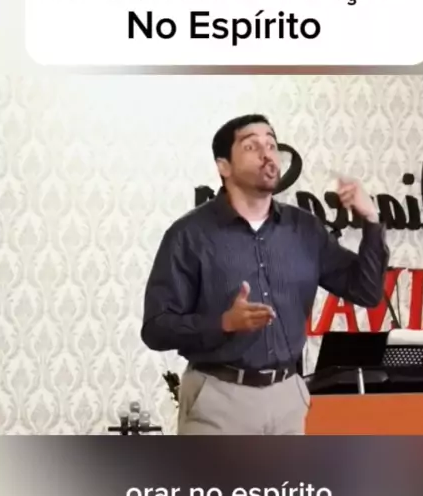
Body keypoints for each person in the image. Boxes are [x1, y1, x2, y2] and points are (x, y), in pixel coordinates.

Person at [141, 115, 389, 435]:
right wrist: (223, 323)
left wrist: (371, 220)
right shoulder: (190, 235)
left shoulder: (305, 229)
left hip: (288, 398)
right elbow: (156, 328)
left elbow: (366, 291)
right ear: (223, 166)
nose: (267, 154)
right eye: (251, 146)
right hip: (218, 396)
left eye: (272, 145)